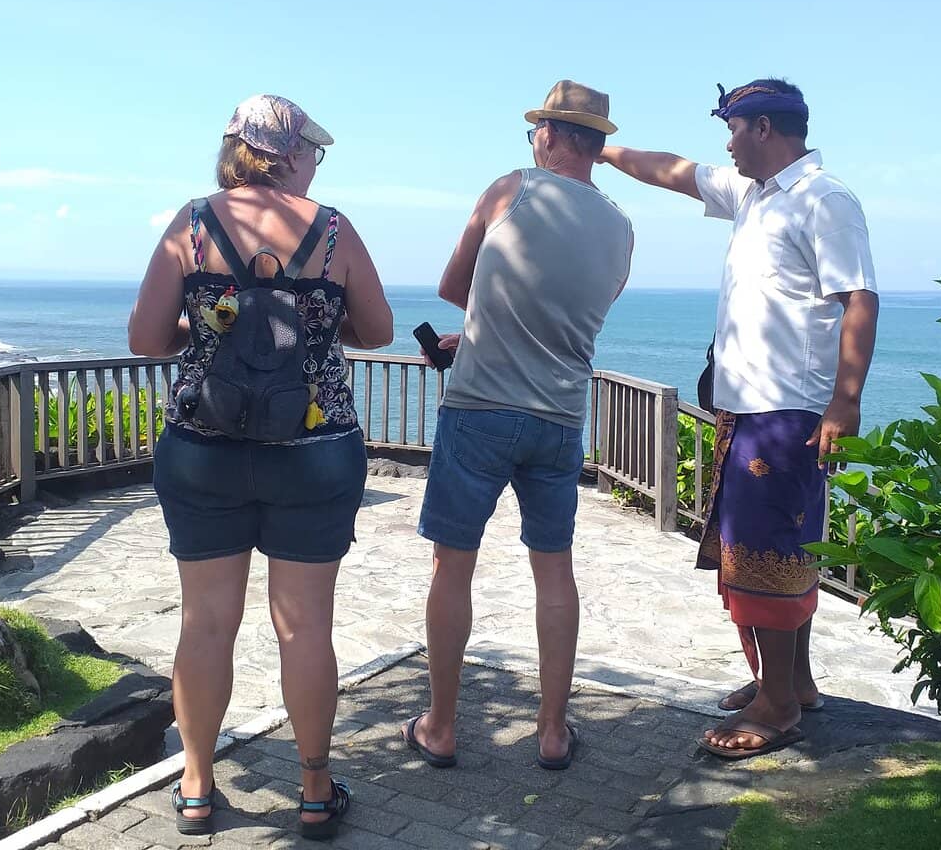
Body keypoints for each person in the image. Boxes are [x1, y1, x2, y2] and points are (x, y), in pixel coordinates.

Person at [128, 94, 392, 839]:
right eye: (311, 151)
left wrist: (217, 327)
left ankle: (196, 786)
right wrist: (307, 323)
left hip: (204, 450)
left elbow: (148, 338)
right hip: (314, 453)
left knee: (205, 623)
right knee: (305, 627)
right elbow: (377, 329)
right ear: (285, 153)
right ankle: (313, 791)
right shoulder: (333, 230)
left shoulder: (194, 224)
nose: (314, 164)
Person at [598, 79, 878, 759]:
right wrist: (605, 152)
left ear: (763, 128)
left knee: (767, 557)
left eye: (733, 128)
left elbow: (860, 298)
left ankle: (777, 706)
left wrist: (845, 401)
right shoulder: (751, 195)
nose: (725, 143)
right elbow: (674, 172)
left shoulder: (823, 198)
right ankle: (794, 684)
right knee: (767, 554)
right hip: (745, 405)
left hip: (788, 410)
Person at [403, 81, 635, 771]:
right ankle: (554, 732)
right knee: (554, 570)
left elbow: (455, 285)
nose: (532, 137)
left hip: (479, 411)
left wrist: (477, 335)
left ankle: (440, 727)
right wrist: (481, 333)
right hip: (559, 419)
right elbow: (570, 317)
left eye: (537, 127)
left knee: (452, 565)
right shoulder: (621, 227)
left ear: (553, 136)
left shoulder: (511, 189)